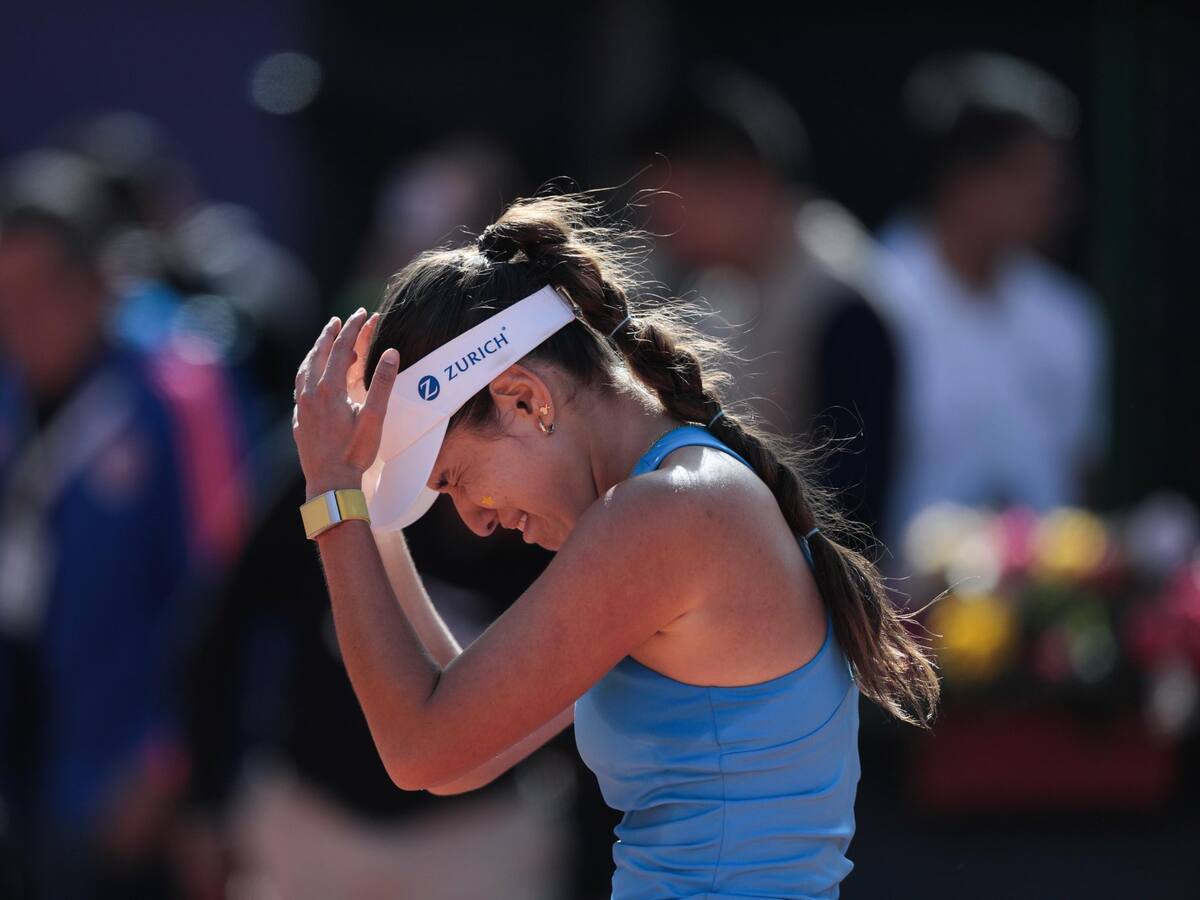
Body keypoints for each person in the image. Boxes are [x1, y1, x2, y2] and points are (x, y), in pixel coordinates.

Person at [289, 190, 940, 898]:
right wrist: (361, 496)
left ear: (524, 400)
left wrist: (333, 496)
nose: (475, 520)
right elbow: (457, 756)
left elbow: (420, 746)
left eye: (454, 479)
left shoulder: (667, 516)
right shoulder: (674, 504)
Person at [622, 59, 901, 537]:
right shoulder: (717, 292)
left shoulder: (840, 300)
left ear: (741, 181)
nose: (660, 226)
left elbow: (853, 514)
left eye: (669, 200)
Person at [872, 52, 1110, 552]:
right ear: (966, 180)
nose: (1056, 197)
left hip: (1050, 615)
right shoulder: (874, 302)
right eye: (1029, 174)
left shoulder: (1068, 315)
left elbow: (1083, 477)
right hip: (898, 615)